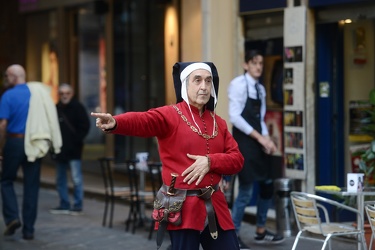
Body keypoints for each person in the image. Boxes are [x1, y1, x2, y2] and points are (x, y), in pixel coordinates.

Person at [92, 62, 244, 250]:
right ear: (185, 85)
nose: (204, 86)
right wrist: (116, 122)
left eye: (208, 80)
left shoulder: (218, 123)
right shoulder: (170, 115)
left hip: (216, 205)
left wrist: (211, 161)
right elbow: (143, 121)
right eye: (197, 80)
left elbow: (237, 159)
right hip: (182, 206)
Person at [228, 50, 284, 249]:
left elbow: (259, 118)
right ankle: (233, 234)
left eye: (260, 63)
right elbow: (234, 117)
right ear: (246, 65)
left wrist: (267, 140)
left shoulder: (260, 89)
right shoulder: (237, 85)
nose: (258, 66)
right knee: (246, 189)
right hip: (243, 143)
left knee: (268, 184)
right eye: (254, 63)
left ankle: (260, 230)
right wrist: (259, 137)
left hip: (258, 142)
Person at [0, 64, 62, 240]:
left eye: (6, 75)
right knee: (32, 186)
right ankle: (29, 230)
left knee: (6, 180)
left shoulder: (8, 95)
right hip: (35, 142)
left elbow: (3, 125)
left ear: (13, 76)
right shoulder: (37, 93)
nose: (5, 79)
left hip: (14, 141)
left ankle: (12, 217)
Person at [49, 83, 90, 215]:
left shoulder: (78, 107)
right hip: (60, 150)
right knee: (60, 179)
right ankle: (64, 204)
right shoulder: (56, 108)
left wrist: (76, 141)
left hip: (74, 150)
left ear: (72, 94)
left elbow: (85, 126)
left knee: (76, 178)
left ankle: (77, 205)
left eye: (67, 93)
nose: (64, 96)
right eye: (61, 93)